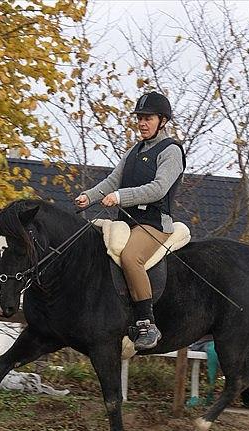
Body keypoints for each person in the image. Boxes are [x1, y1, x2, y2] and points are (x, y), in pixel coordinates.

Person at [74, 92, 186, 351]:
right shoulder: (133, 151)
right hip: (127, 222)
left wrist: (120, 197)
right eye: (140, 119)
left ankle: (147, 322)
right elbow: (113, 181)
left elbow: (158, 189)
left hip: (154, 223)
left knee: (130, 257)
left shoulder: (171, 151)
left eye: (148, 118)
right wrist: (89, 197)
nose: (142, 123)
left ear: (163, 120)